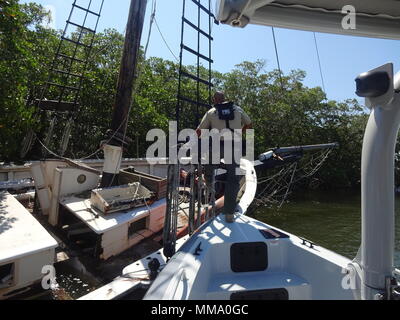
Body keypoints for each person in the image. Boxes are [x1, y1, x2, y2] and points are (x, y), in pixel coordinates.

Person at [196, 91, 252, 223]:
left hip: (218, 145)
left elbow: (199, 131)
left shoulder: (212, 112)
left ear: (215, 100)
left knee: (209, 166)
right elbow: (249, 124)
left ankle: (209, 188)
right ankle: (229, 214)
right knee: (233, 180)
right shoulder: (237, 109)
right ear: (225, 99)